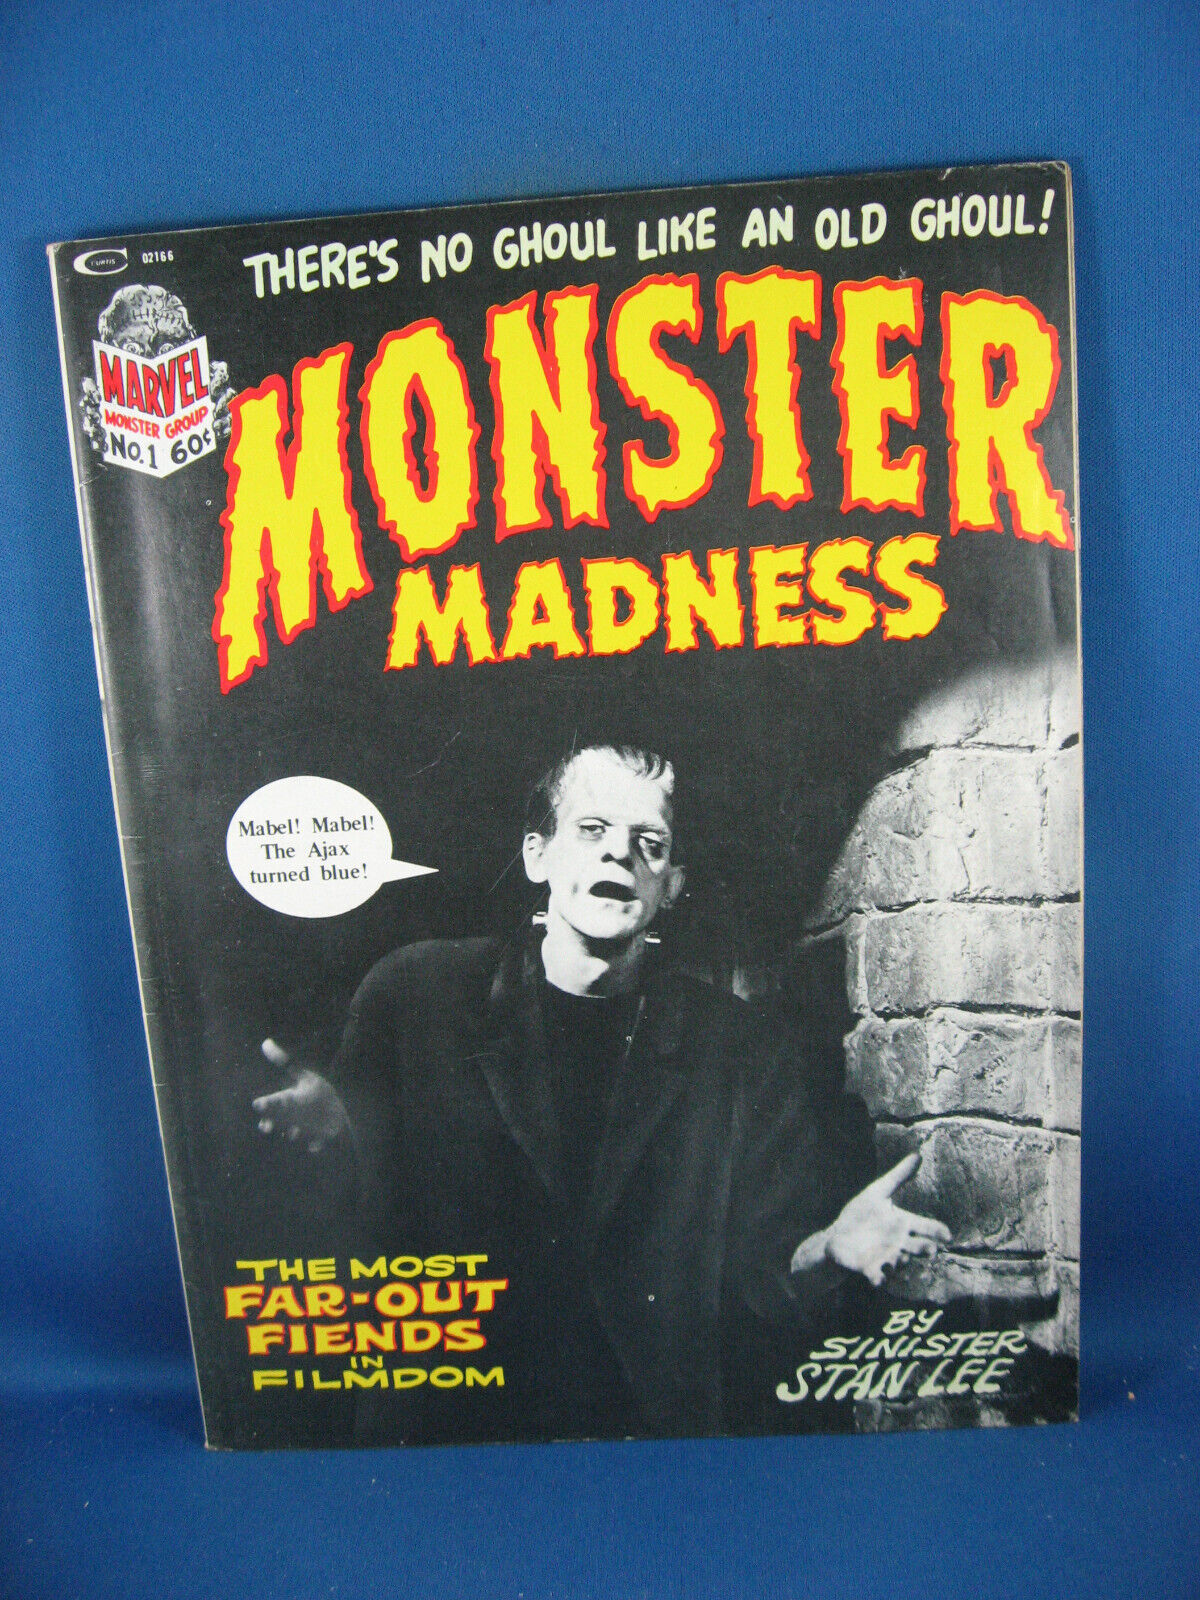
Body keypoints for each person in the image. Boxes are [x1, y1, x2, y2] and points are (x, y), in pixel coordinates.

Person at [254, 744, 950, 1441]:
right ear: (537, 857)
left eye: (650, 843)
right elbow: (356, 1228)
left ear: (671, 885)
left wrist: (828, 1248)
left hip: (648, 1442)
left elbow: (765, 1266)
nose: (621, 853)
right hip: (458, 1433)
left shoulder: (741, 1051)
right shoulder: (419, 995)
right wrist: (337, 1138)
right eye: (592, 830)